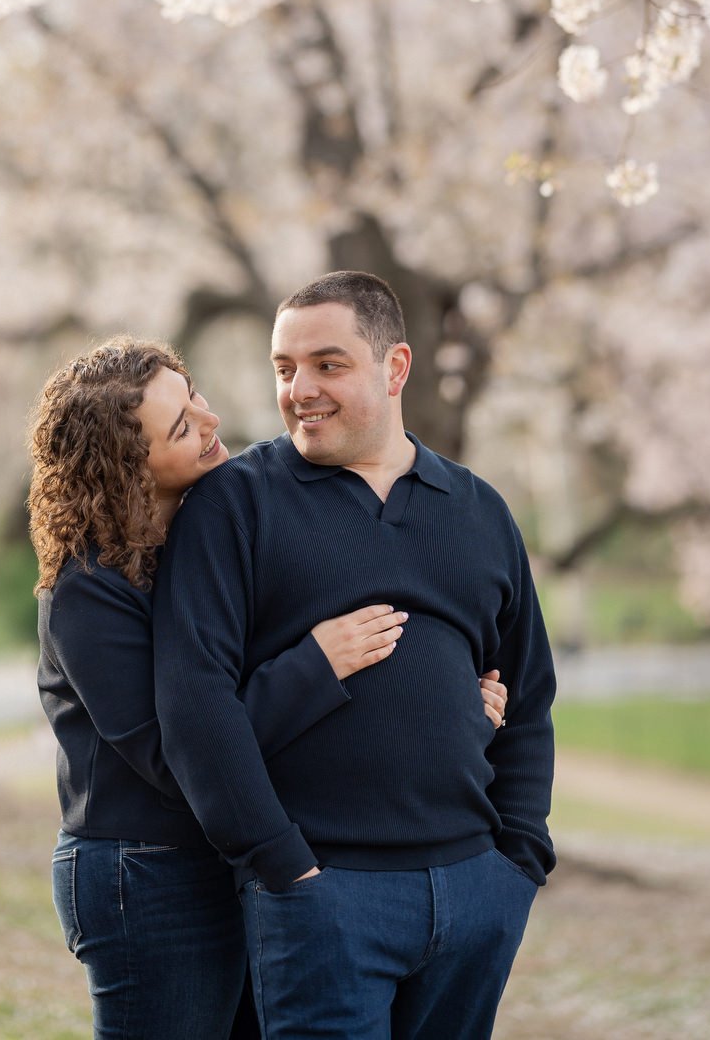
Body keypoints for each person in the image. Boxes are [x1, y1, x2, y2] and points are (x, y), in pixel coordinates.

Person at [29, 336, 511, 1040]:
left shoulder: (206, 540)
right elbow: (177, 754)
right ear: (126, 465)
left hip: (232, 859)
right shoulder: (88, 588)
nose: (212, 421)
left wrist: (448, 719)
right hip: (145, 869)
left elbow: (251, 708)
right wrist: (314, 665)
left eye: (195, 398)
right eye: (183, 427)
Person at [154, 271, 556, 1040]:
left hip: (474, 892)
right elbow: (193, 703)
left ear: (395, 367)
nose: (300, 388)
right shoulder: (234, 504)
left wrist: (518, 861)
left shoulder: (478, 509)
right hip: (322, 895)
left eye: (327, 365)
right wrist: (283, 869)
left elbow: (529, 695)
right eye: (284, 368)